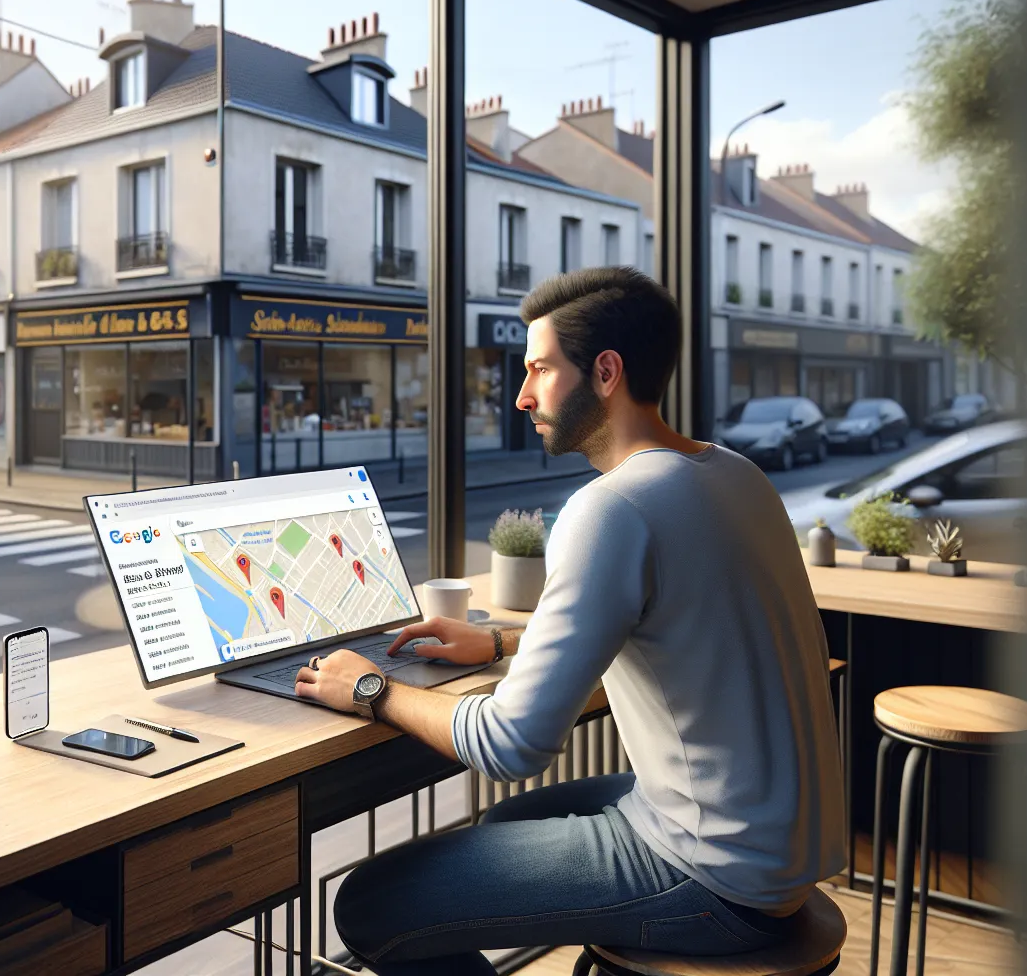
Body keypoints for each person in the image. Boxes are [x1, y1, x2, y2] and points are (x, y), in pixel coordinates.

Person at [293, 267, 845, 975]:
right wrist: (499, 640)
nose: (522, 396)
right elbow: (673, 622)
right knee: (505, 828)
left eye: (539, 370)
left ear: (605, 372)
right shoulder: (734, 473)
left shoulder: (614, 506)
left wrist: (373, 690)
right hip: (778, 843)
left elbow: (511, 745)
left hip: (716, 875)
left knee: (367, 903)